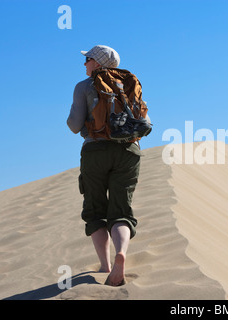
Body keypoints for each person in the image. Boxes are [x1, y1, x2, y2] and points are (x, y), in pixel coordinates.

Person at [67, 45, 142, 286]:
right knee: (121, 210)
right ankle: (122, 253)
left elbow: (74, 125)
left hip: (95, 150)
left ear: (97, 63)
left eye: (87, 59)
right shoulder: (129, 83)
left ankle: (105, 265)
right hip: (128, 151)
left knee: (95, 209)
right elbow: (145, 121)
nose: (84, 64)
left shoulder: (83, 86)